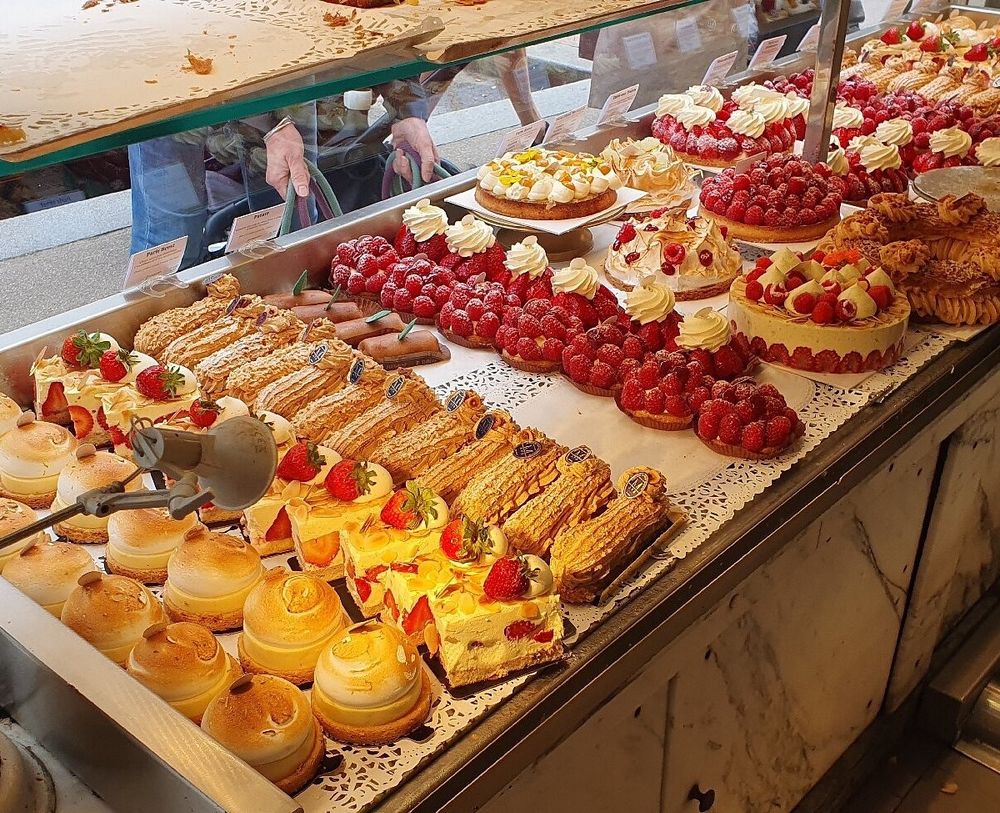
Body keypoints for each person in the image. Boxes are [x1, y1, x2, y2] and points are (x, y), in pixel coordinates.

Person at [128, 78, 443, 270]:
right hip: (171, 83)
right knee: (168, 249)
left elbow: (380, 21)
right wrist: (269, 123)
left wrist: (406, 110)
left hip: (293, 84)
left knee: (286, 234)